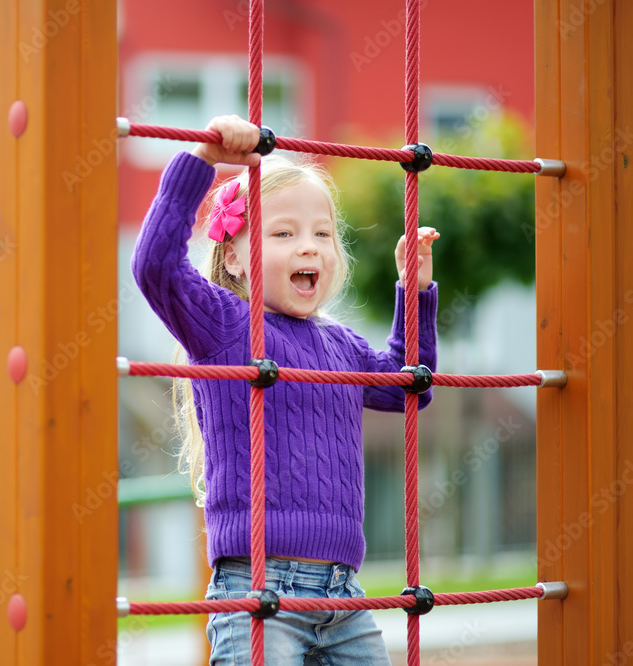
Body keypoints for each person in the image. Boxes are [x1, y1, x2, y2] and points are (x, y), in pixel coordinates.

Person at [132, 115, 440, 664]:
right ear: (234, 257)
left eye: (322, 234)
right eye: (283, 233)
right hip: (258, 589)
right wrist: (203, 159)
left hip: (345, 597)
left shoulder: (340, 347)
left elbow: (408, 386)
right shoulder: (226, 326)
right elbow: (156, 266)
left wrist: (413, 291)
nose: (309, 247)